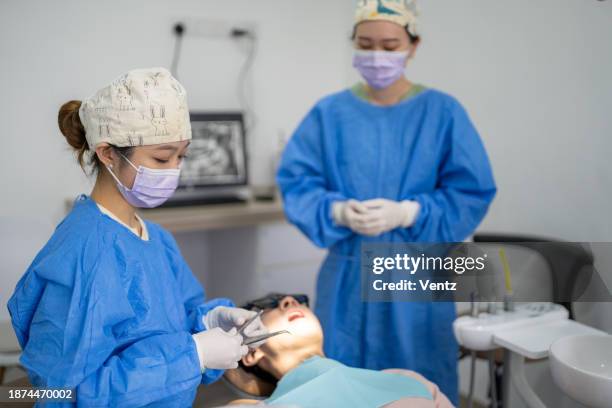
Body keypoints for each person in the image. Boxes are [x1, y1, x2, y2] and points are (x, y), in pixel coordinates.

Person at [276, 0, 497, 403]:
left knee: (419, 385)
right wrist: (336, 210)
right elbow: (296, 181)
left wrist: (412, 211)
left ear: (413, 45)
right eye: (366, 43)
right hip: (347, 283)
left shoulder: (442, 112)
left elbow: (471, 191)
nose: (378, 55)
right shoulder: (330, 113)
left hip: (417, 278)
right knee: (344, 383)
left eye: (390, 45)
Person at [7, 68, 267, 407]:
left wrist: (208, 322)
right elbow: (64, 395)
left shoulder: (153, 238)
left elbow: (162, 328)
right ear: (107, 153)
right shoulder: (83, 256)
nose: (175, 169)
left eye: (181, 156)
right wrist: (193, 355)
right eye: (162, 157)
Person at [218, 294, 453, 407]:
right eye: (267, 307)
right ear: (251, 354)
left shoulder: (406, 379)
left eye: (300, 301)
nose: (289, 301)